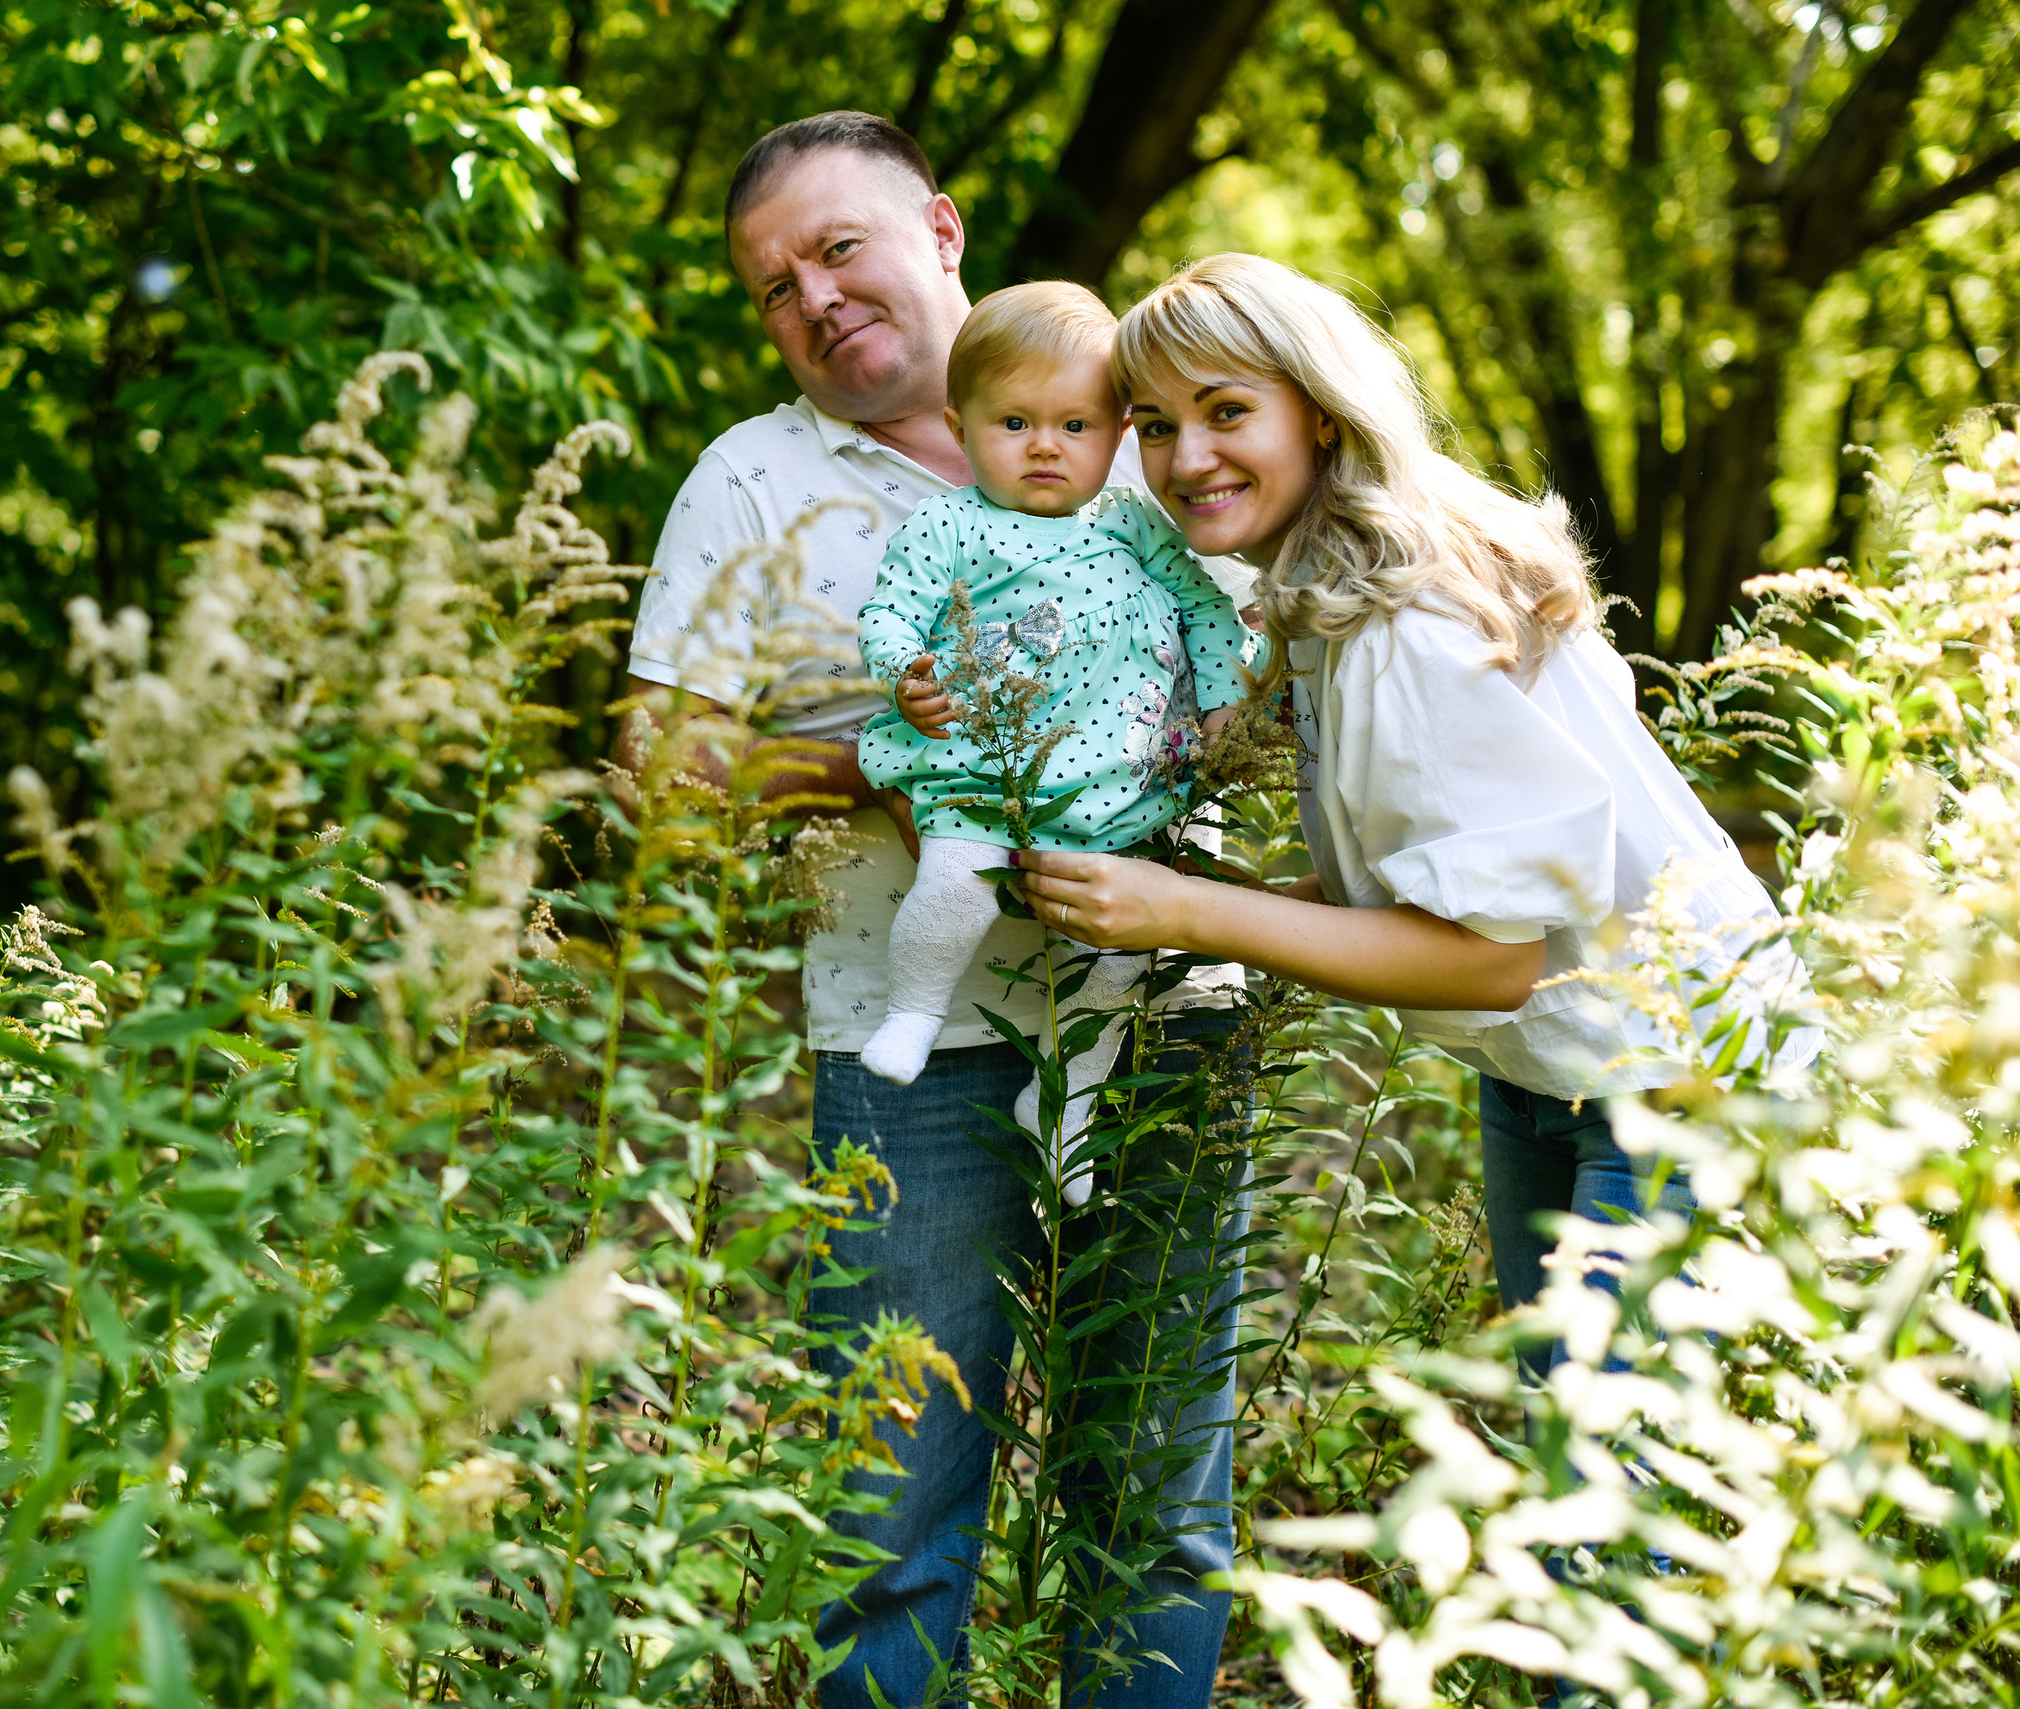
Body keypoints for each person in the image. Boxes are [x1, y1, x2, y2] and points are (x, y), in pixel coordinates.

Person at [621, 115, 1250, 1709]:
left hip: (1164, 1015)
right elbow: (658, 766)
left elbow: (1274, 648)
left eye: (837, 248)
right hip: (916, 1055)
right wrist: (874, 770)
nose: (815, 299)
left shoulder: (1153, 416)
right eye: (775, 288)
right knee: (893, 1516)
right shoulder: (754, 479)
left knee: (1158, 1507)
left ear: (943, 230)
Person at [1006, 252, 1817, 1363]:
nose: (1186, 458)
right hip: (1563, 1069)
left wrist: (1190, 913)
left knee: (1601, 1455)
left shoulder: (1407, 626)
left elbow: (1492, 956)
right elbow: (1444, 875)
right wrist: (1210, 891)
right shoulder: (1334, 589)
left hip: (1680, 1072)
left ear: (1321, 412)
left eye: (1227, 410)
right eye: (1153, 425)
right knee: (1563, 1426)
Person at [854, 280, 1253, 1209]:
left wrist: (1223, 704)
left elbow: (1206, 609)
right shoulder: (950, 525)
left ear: (1117, 432)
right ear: (959, 427)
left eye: (1075, 426)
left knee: (1116, 956)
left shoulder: (1130, 522)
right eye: (1015, 423)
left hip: (1114, 791)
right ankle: (914, 1010)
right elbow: (889, 612)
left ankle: (1066, 1100)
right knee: (952, 887)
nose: (1045, 445)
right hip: (980, 767)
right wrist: (906, 672)